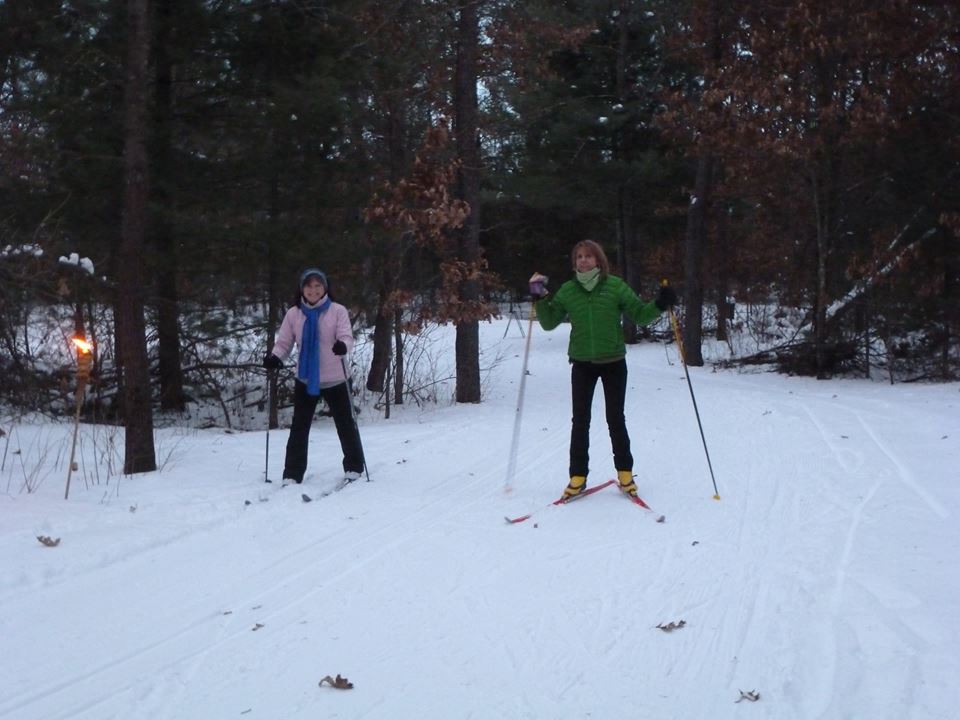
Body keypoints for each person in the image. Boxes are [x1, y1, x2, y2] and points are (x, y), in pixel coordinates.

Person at [528, 240, 677, 500]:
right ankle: (577, 477)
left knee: (615, 418)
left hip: (613, 362)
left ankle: (626, 475)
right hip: (582, 363)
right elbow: (550, 322)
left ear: (599, 260)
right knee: (580, 421)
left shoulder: (615, 287)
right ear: (574, 263)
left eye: (588, 256)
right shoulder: (567, 291)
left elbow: (640, 314)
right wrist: (540, 298)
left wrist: (661, 304)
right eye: (579, 257)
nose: (583, 261)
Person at [263, 268, 364, 485]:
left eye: (318, 285)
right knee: (300, 427)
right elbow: (284, 343)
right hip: (306, 378)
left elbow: (346, 336)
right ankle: (292, 473)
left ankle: (354, 467)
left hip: (336, 378)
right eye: (309, 286)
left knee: (345, 424)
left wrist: (342, 346)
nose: (313, 290)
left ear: (325, 288)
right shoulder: (294, 314)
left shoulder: (337, 311)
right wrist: (275, 357)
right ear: (302, 289)